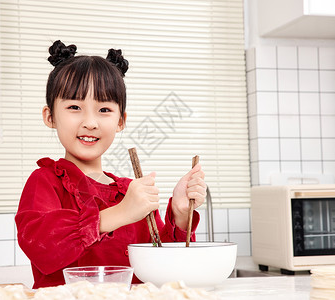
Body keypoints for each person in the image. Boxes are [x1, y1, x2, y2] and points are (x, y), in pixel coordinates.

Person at [15, 40, 207, 289]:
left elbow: (163, 264)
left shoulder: (130, 191)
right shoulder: (45, 181)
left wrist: (181, 214)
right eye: (74, 107)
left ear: (121, 121)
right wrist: (122, 212)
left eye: (104, 109)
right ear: (50, 116)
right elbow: (42, 246)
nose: (90, 122)